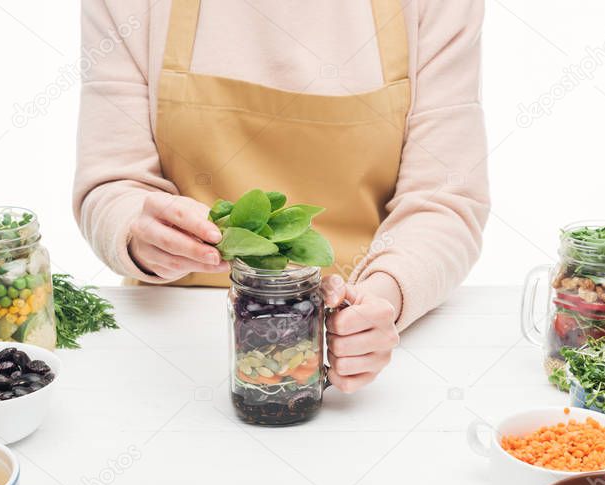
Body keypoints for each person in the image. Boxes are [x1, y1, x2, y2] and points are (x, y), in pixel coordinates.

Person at [74, 0, 489, 392]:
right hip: (169, 348)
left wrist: (381, 300)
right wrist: (139, 233)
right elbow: (112, 182)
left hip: (359, 333)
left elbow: (445, 200)